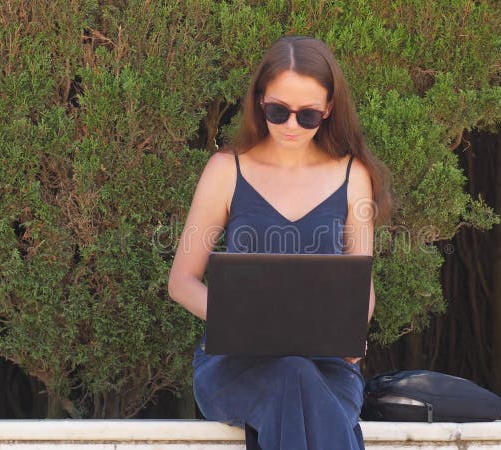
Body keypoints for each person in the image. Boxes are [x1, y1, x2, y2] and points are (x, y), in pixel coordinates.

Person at [167, 35, 392, 450]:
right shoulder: (225, 170)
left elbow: (363, 284)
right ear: (258, 102)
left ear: (328, 109)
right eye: (278, 111)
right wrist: (249, 323)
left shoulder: (352, 175)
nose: (291, 125)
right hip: (236, 366)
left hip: (326, 367)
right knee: (292, 375)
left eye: (307, 115)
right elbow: (181, 281)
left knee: (299, 375)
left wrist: (352, 334)